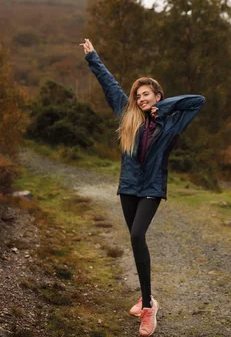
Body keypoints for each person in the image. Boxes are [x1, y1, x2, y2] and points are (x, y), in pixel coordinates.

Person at [80, 38, 205, 336]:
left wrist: (162, 107)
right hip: (128, 188)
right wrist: (93, 58)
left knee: (138, 234)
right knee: (137, 243)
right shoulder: (128, 118)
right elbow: (109, 85)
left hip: (152, 187)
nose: (140, 99)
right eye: (138, 95)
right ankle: (147, 298)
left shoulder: (171, 123)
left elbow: (198, 100)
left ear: (157, 96)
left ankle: (148, 309)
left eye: (146, 94)